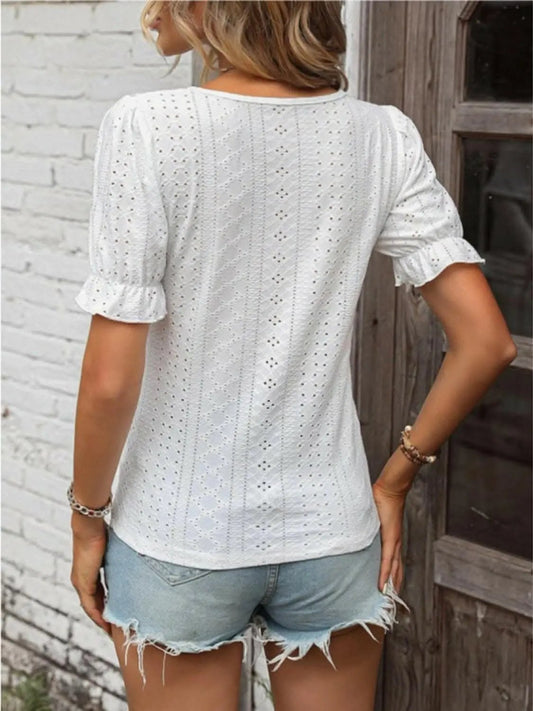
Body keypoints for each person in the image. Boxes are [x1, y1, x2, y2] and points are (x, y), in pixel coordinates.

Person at [69, 2, 517, 710]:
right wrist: (395, 480)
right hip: (332, 535)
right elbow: (487, 342)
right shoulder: (381, 135)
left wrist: (85, 517)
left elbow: (108, 380)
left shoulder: (148, 126)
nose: (151, 10)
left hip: (179, 538)